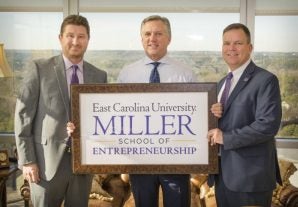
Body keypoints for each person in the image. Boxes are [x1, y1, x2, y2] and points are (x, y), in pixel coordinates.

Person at [14, 14, 107, 207]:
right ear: (60, 38)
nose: (75, 41)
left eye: (81, 36)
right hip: (45, 164)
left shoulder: (99, 75)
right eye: (70, 35)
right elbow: (23, 115)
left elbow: (102, 119)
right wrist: (28, 160)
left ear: (88, 40)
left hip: (83, 165)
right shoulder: (39, 68)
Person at [117, 15, 196, 207]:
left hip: (176, 161)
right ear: (141, 38)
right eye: (147, 34)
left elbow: (197, 116)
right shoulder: (127, 74)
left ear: (169, 38)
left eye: (158, 33)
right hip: (140, 162)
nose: (152, 38)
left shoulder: (186, 74)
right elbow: (118, 117)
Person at [207, 23, 282, 207]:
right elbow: (227, 120)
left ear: (250, 47)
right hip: (222, 175)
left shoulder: (265, 80)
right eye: (226, 43)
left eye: (238, 43)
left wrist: (226, 137)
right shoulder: (223, 82)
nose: (231, 48)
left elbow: (267, 125)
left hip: (250, 179)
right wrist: (213, 115)